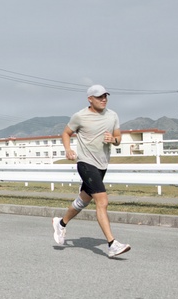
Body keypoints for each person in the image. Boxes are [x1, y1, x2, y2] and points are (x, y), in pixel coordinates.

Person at [52, 85, 130, 257]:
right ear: (90, 99)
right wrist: (68, 149)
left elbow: (118, 138)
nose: (103, 99)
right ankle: (112, 244)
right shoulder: (80, 116)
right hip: (85, 163)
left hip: (102, 165)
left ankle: (61, 223)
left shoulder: (113, 115)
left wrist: (113, 140)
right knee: (102, 201)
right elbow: (66, 133)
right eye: (99, 97)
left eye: (105, 96)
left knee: (83, 201)